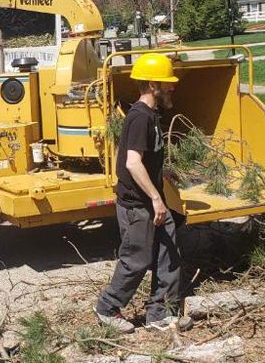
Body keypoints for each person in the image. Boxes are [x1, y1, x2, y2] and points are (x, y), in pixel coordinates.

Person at [95, 53, 192, 333]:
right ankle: (107, 308)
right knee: (136, 260)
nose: (172, 87)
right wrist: (156, 198)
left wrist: (162, 174)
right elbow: (131, 162)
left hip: (150, 202)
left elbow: (144, 160)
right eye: (167, 83)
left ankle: (160, 314)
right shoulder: (139, 117)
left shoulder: (151, 115)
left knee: (169, 253)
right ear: (152, 85)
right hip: (138, 205)